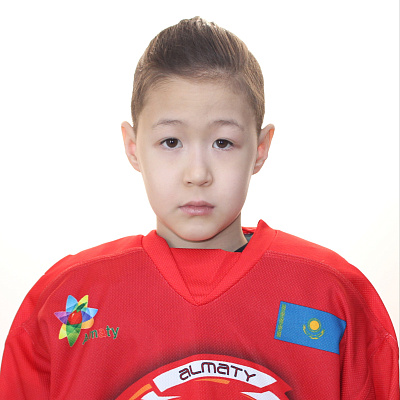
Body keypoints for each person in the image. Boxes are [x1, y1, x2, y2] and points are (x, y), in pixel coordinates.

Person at [0, 16, 398, 400]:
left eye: (223, 143)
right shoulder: (67, 297)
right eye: (171, 142)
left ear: (260, 149)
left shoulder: (333, 294)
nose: (197, 174)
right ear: (133, 146)